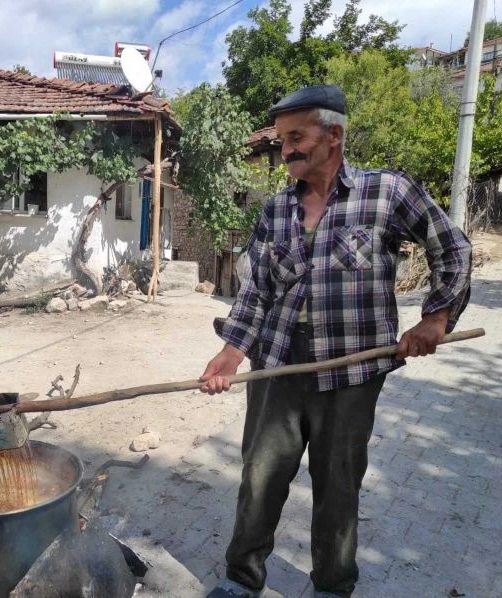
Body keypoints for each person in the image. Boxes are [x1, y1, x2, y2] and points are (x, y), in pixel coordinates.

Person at [200, 85, 472, 598]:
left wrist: (435, 318)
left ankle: (332, 585)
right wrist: (233, 350)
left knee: (338, 486)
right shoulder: (276, 208)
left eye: (296, 137)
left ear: (335, 134)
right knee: (259, 480)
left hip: (351, 371)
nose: (286, 150)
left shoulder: (386, 192)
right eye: (282, 140)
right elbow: (256, 287)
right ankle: (241, 580)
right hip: (277, 365)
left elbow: (452, 248)